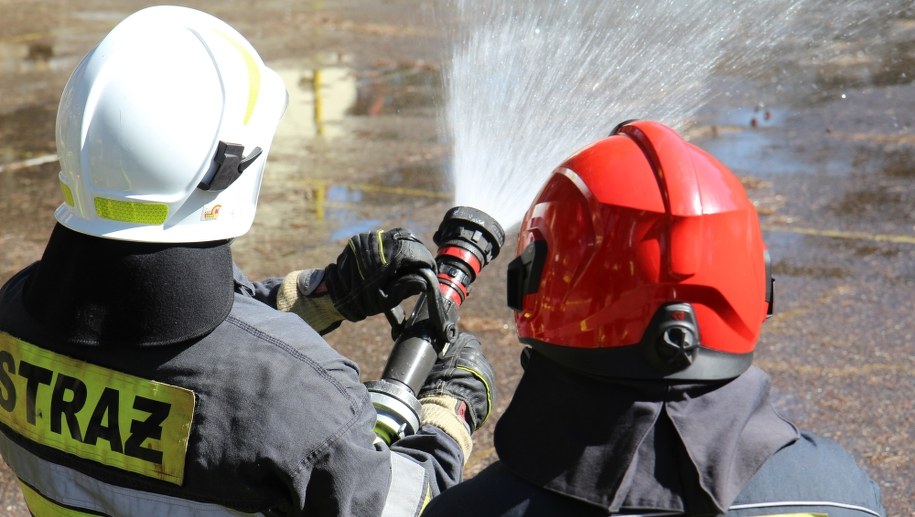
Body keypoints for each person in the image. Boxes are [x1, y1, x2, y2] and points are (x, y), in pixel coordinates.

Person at [0, 6, 494, 516]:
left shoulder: (13, 319)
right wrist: (444, 417)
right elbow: (400, 504)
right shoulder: (302, 405)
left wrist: (328, 294)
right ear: (226, 172)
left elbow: (192, 346)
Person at [422, 120, 885, 516]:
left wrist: (432, 440)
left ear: (534, 288)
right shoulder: (845, 494)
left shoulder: (474, 509)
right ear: (756, 288)